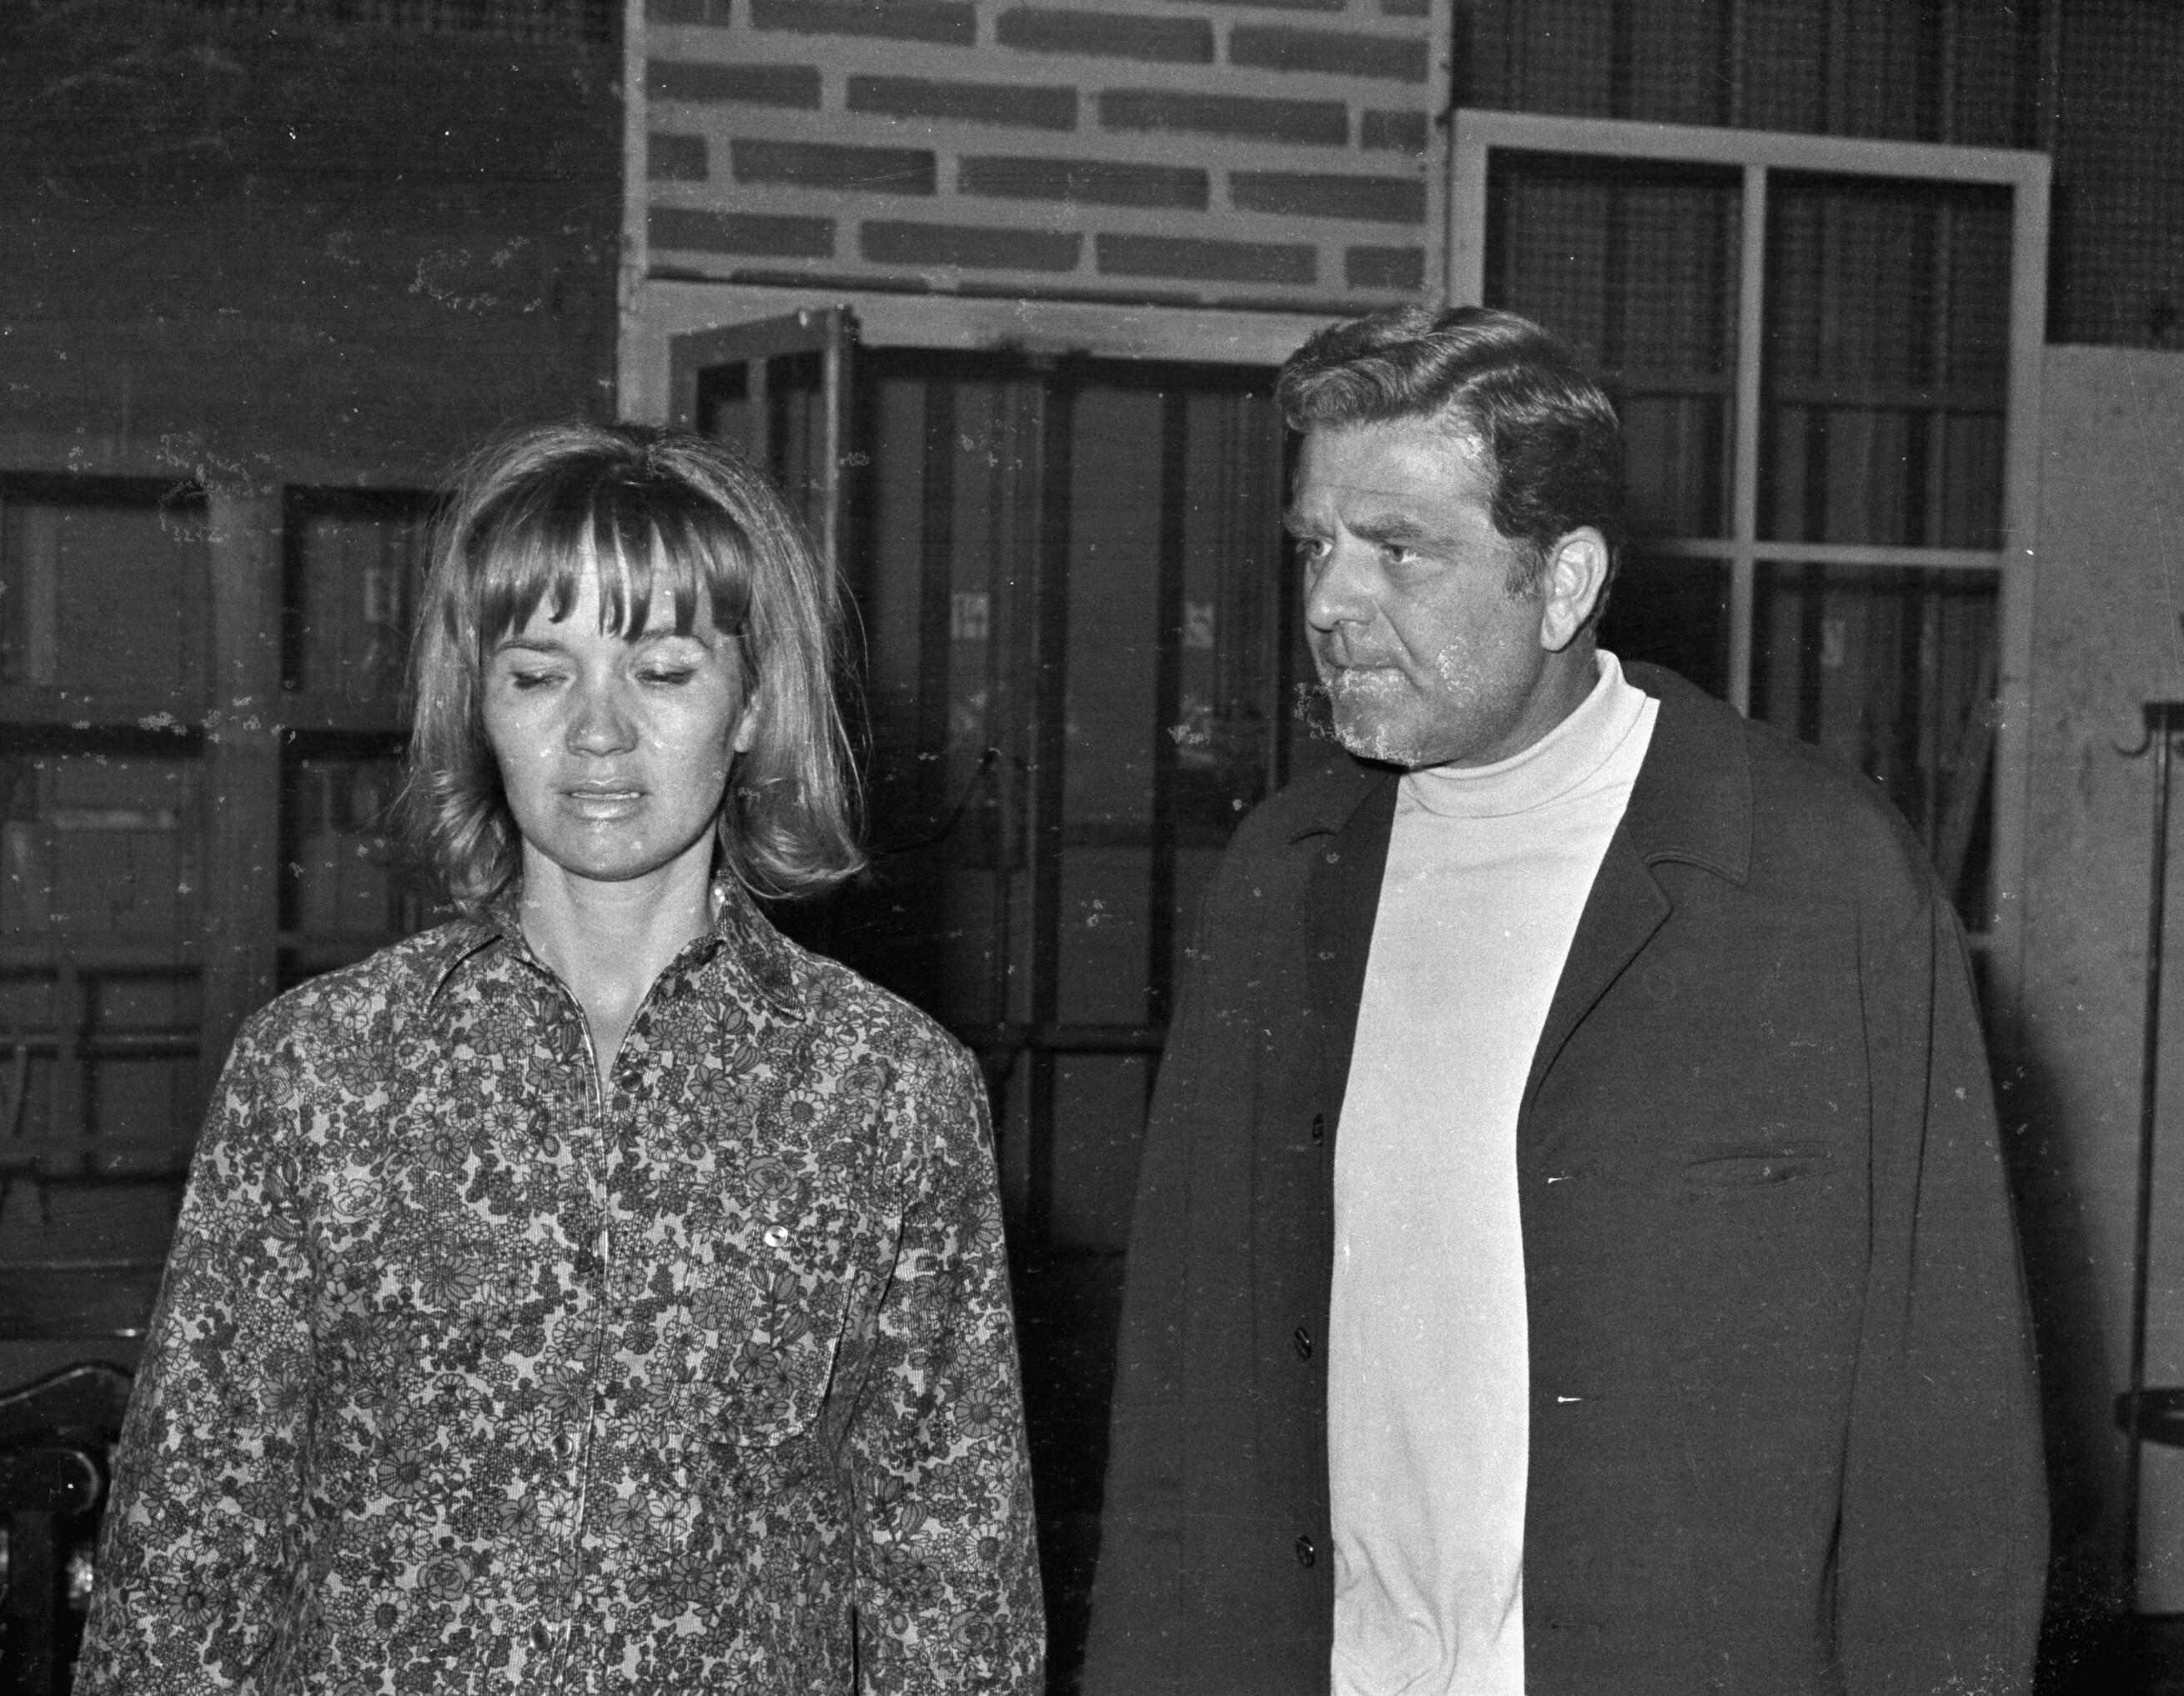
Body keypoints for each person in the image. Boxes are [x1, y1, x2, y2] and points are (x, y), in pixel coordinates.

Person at [1087, 307, 2046, 1694]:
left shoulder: (1814, 874)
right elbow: (1182, 1388)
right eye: (1315, 545)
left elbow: (1946, 1425)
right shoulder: (1282, 875)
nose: (1329, 603)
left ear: (1563, 580)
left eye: (1398, 549)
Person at [76, 423, 1043, 1693]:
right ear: (479, 704)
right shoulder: (318, 1075)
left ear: (754, 705)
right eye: (539, 674)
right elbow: (181, 1568)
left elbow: (956, 1595)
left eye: (663, 669)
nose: (598, 731)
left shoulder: (889, 1092)